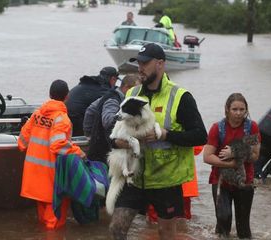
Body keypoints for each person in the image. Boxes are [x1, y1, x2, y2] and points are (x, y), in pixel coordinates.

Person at [108, 43, 207, 240]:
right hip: (134, 178)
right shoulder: (131, 94)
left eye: (145, 63)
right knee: (116, 229)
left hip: (166, 180)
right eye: (139, 63)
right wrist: (120, 143)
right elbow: (114, 134)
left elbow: (200, 136)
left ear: (160, 64)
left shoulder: (181, 97)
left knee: (166, 234)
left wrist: (165, 134)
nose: (140, 68)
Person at [17, 79, 85, 230]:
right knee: (54, 225)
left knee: (43, 222)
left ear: (49, 94)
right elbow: (58, 145)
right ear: (67, 96)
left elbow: (22, 142)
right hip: (53, 178)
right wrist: (79, 152)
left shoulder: (36, 115)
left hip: (34, 176)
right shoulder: (62, 119)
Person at [203, 93, 261, 238]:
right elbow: (207, 156)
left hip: (244, 181)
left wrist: (235, 152)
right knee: (223, 220)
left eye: (242, 110)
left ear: (246, 110)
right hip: (221, 180)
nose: (238, 113)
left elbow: (254, 155)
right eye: (235, 109)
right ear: (227, 109)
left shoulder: (251, 127)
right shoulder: (218, 128)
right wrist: (230, 163)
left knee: (243, 228)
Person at [84, 74, 140, 163]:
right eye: (136, 90)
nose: (138, 94)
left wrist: (89, 134)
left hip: (97, 149)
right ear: (127, 88)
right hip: (103, 155)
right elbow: (108, 122)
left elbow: (90, 110)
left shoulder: (110, 94)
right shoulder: (113, 100)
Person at [147, 145, 203, 222]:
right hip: (183, 180)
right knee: (181, 218)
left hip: (156, 178)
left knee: (155, 218)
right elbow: (197, 149)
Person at [65, 66, 119, 136]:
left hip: (65, 116)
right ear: (113, 79)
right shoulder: (102, 90)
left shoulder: (91, 83)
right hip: (76, 119)